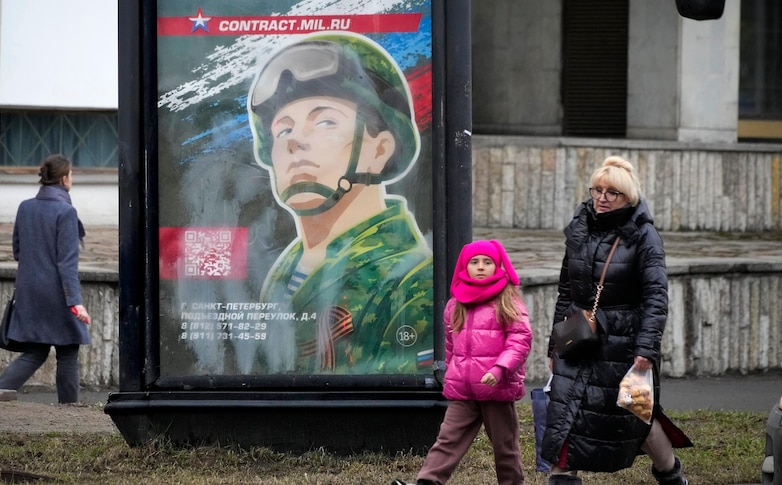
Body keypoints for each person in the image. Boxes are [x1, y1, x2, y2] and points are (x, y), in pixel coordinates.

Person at [247, 32, 433, 374]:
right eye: (283, 130)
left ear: (379, 150)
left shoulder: (410, 282)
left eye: (326, 121)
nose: (296, 142)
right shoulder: (289, 269)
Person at [541, 156, 692, 485]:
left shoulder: (644, 236)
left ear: (628, 196)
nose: (601, 198)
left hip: (623, 343)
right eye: (597, 190)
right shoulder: (580, 227)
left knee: (636, 415)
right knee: (564, 416)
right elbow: (566, 290)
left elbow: (656, 296)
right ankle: (562, 477)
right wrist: (555, 344)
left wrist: (646, 349)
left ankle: (671, 474)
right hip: (579, 337)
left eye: (612, 192)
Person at [392, 239, 532, 485]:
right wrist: (451, 374)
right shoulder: (455, 304)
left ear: (498, 267)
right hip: (463, 390)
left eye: (487, 262)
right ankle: (427, 481)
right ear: (464, 267)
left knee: (505, 447)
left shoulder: (508, 301)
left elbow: (520, 341)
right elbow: (450, 346)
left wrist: (500, 369)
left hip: (496, 389)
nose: (480, 267)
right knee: (448, 439)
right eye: (474, 262)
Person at [0, 154, 91, 404]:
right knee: (68, 352)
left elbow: (17, 251)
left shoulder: (25, 207)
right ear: (64, 179)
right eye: (72, 175)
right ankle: (70, 408)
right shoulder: (66, 211)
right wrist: (75, 302)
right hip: (57, 294)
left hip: (28, 291)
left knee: (35, 351)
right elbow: (67, 263)